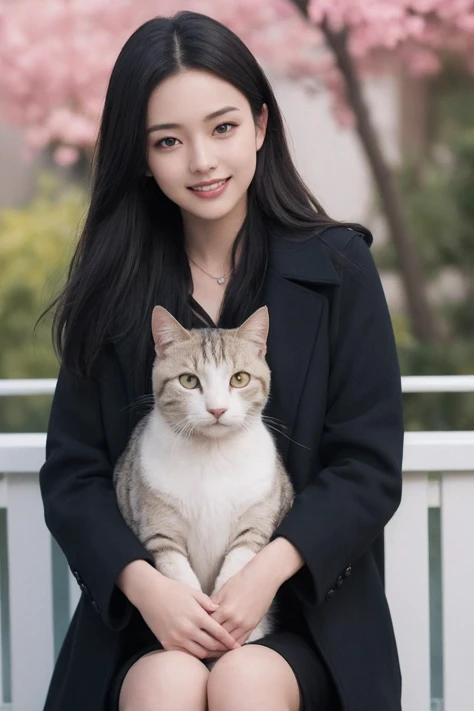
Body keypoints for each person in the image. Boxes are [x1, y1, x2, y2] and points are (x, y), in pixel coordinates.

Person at [37, 10, 405, 711]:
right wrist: (149, 588)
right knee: (167, 681)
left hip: (305, 611)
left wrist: (263, 574)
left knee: (244, 679)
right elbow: (73, 473)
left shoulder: (339, 268)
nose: (202, 160)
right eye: (169, 140)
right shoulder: (113, 290)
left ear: (262, 125)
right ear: (141, 155)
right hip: (145, 613)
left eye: (223, 127)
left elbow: (367, 462)